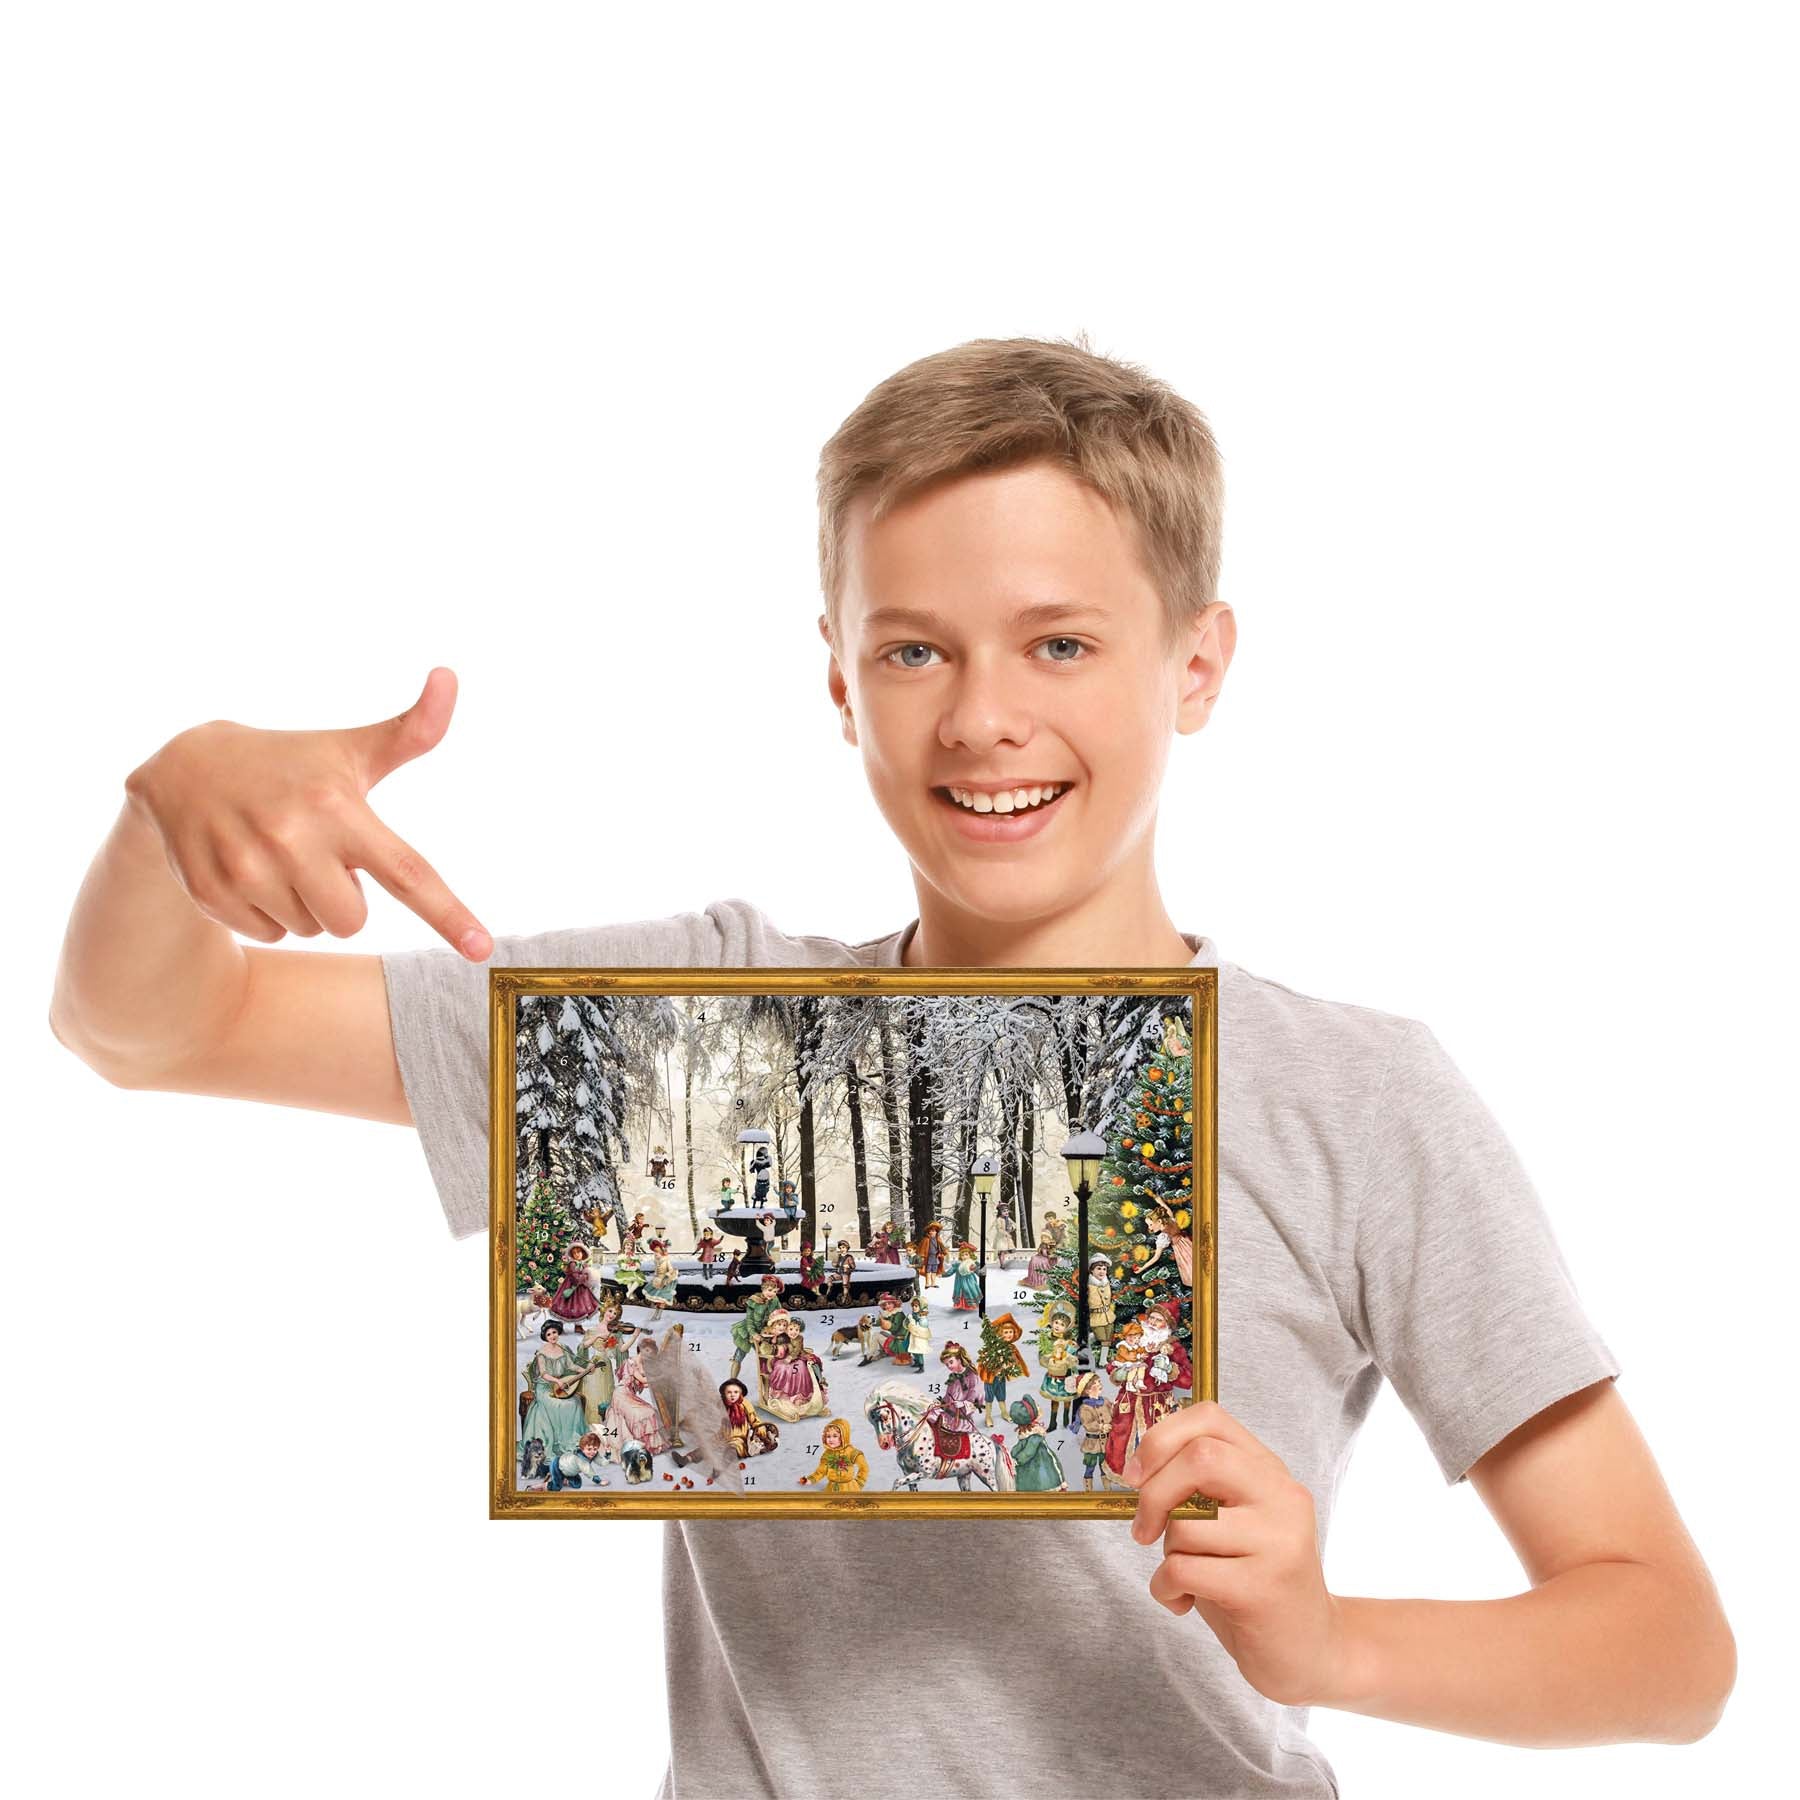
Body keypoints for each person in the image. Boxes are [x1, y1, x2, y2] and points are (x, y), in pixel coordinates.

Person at [54, 335, 1733, 1795]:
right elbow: (151, 1024)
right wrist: (170, 807)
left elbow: (1670, 1645)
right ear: (840, 684)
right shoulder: (696, 1026)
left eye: (1060, 644)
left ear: (1198, 664)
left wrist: (1332, 1642)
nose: (982, 718)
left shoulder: (1353, 1099)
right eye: (914, 649)